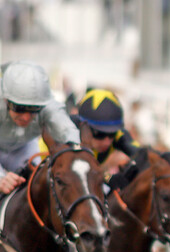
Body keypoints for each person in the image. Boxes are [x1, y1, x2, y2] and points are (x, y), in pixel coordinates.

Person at [0, 60, 80, 194]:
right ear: (5, 100)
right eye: (19, 108)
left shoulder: (48, 105)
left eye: (33, 109)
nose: (26, 117)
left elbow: (67, 132)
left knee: (36, 186)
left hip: (23, 147)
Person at [73, 88, 141, 166]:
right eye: (100, 134)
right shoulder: (66, 130)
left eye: (112, 134)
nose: (107, 142)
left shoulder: (119, 135)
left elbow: (144, 155)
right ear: (83, 127)